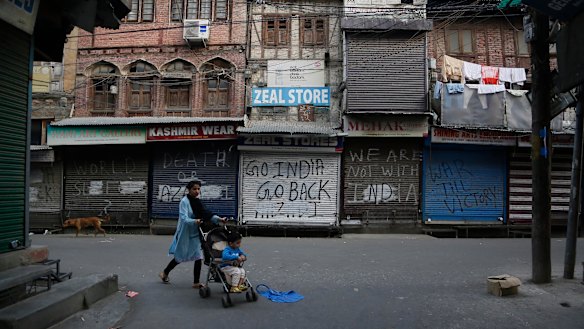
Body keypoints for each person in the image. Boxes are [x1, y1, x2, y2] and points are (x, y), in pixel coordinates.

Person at [159, 180, 225, 288]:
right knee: (180, 256)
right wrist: (195, 221)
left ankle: (196, 282)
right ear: (189, 189)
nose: (197, 191)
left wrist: (220, 219)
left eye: (198, 189)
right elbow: (184, 218)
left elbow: (206, 214)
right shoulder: (184, 202)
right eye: (194, 189)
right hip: (185, 232)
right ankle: (165, 273)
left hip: (195, 232)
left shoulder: (197, 201)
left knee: (198, 256)